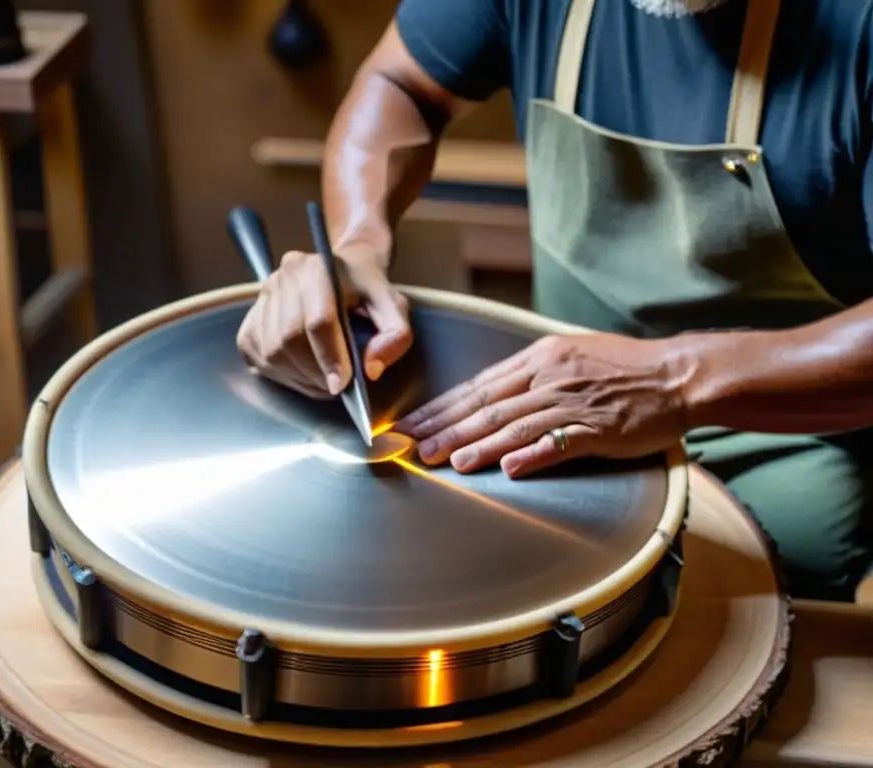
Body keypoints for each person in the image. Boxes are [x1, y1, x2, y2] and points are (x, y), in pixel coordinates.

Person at [235, 0, 873, 601]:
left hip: (784, 425)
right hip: (551, 397)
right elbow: (403, 84)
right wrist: (357, 244)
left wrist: (674, 383)